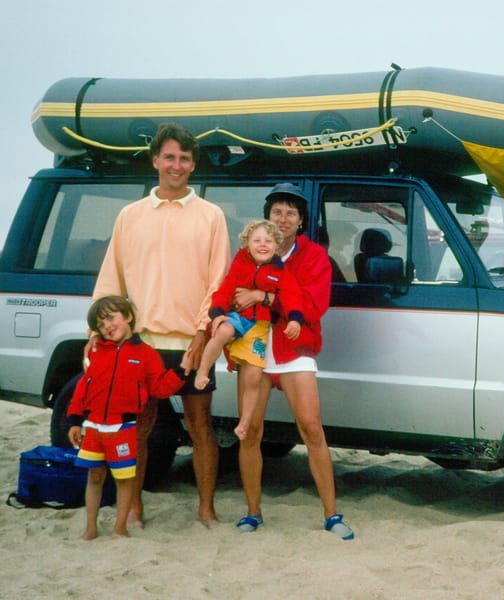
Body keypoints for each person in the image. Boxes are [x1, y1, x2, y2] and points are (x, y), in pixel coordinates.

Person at [91, 122, 231, 528]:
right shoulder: (129, 216)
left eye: (185, 158)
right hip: (140, 343)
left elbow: (218, 280)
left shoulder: (210, 215)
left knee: (201, 426)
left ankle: (206, 508)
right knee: (138, 428)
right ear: (155, 160)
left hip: (192, 341)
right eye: (169, 157)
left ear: (193, 165)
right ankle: (133, 508)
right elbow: (110, 280)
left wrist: (203, 333)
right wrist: (96, 335)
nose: (176, 165)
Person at [231, 183, 354, 539]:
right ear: (266, 216)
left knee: (312, 428)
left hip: (293, 349)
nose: (283, 219)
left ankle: (332, 515)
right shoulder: (249, 251)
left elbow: (313, 308)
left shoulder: (314, 256)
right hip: (253, 349)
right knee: (250, 431)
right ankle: (253, 512)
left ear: (301, 221)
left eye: (291, 213)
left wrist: (263, 295)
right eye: (277, 211)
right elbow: (234, 297)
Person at [69, 296, 188, 540]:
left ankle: (120, 527)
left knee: (125, 479)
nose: (108, 327)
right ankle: (90, 527)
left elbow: (159, 388)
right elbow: (84, 387)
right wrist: (74, 420)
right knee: (95, 476)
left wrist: (182, 371)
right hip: (93, 427)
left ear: (128, 317)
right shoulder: (97, 352)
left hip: (123, 428)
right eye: (101, 325)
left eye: (111, 318)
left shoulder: (146, 354)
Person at [195, 219, 305, 441]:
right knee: (223, 330)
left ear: (276, 245)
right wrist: (216, 314)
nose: (262, 245)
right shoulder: (240, 264)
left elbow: (292, 297)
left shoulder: (281, 271)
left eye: (268, 241)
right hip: (237, 317)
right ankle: (203, 372)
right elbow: (225, 291)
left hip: (259, 327)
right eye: (257, 240)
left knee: (254, 377)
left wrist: (295, 320)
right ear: (247, 244)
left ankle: (244, 424)